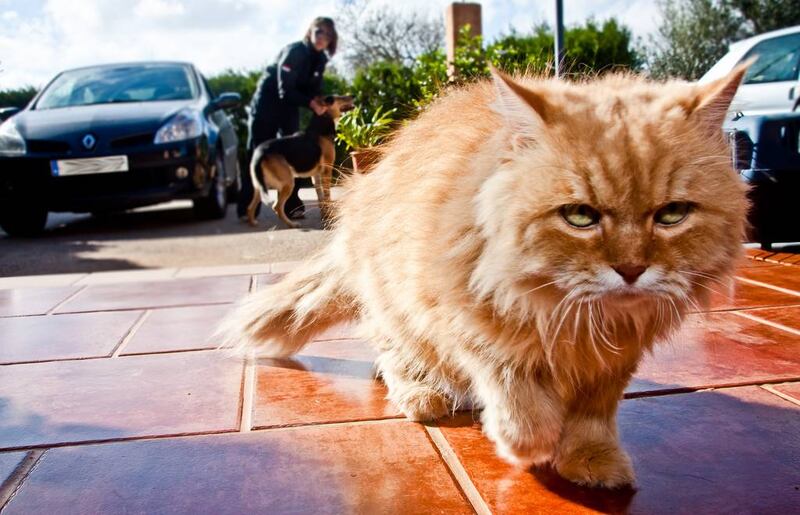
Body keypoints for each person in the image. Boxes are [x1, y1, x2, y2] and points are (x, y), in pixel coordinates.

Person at [238, 17, 338, 221]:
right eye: (319, 31)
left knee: (295, 151)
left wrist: (322, 104)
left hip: (290, 104)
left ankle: (291, 205)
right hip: (267, 103)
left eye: (327, 35)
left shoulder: (320, 60)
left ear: (331, 40)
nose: (322, 37)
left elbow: (314, 90)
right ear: (310, 32)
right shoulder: (295, 52)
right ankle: (248, 208)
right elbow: (285, 89)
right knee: (258, 151)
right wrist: (311, 103)